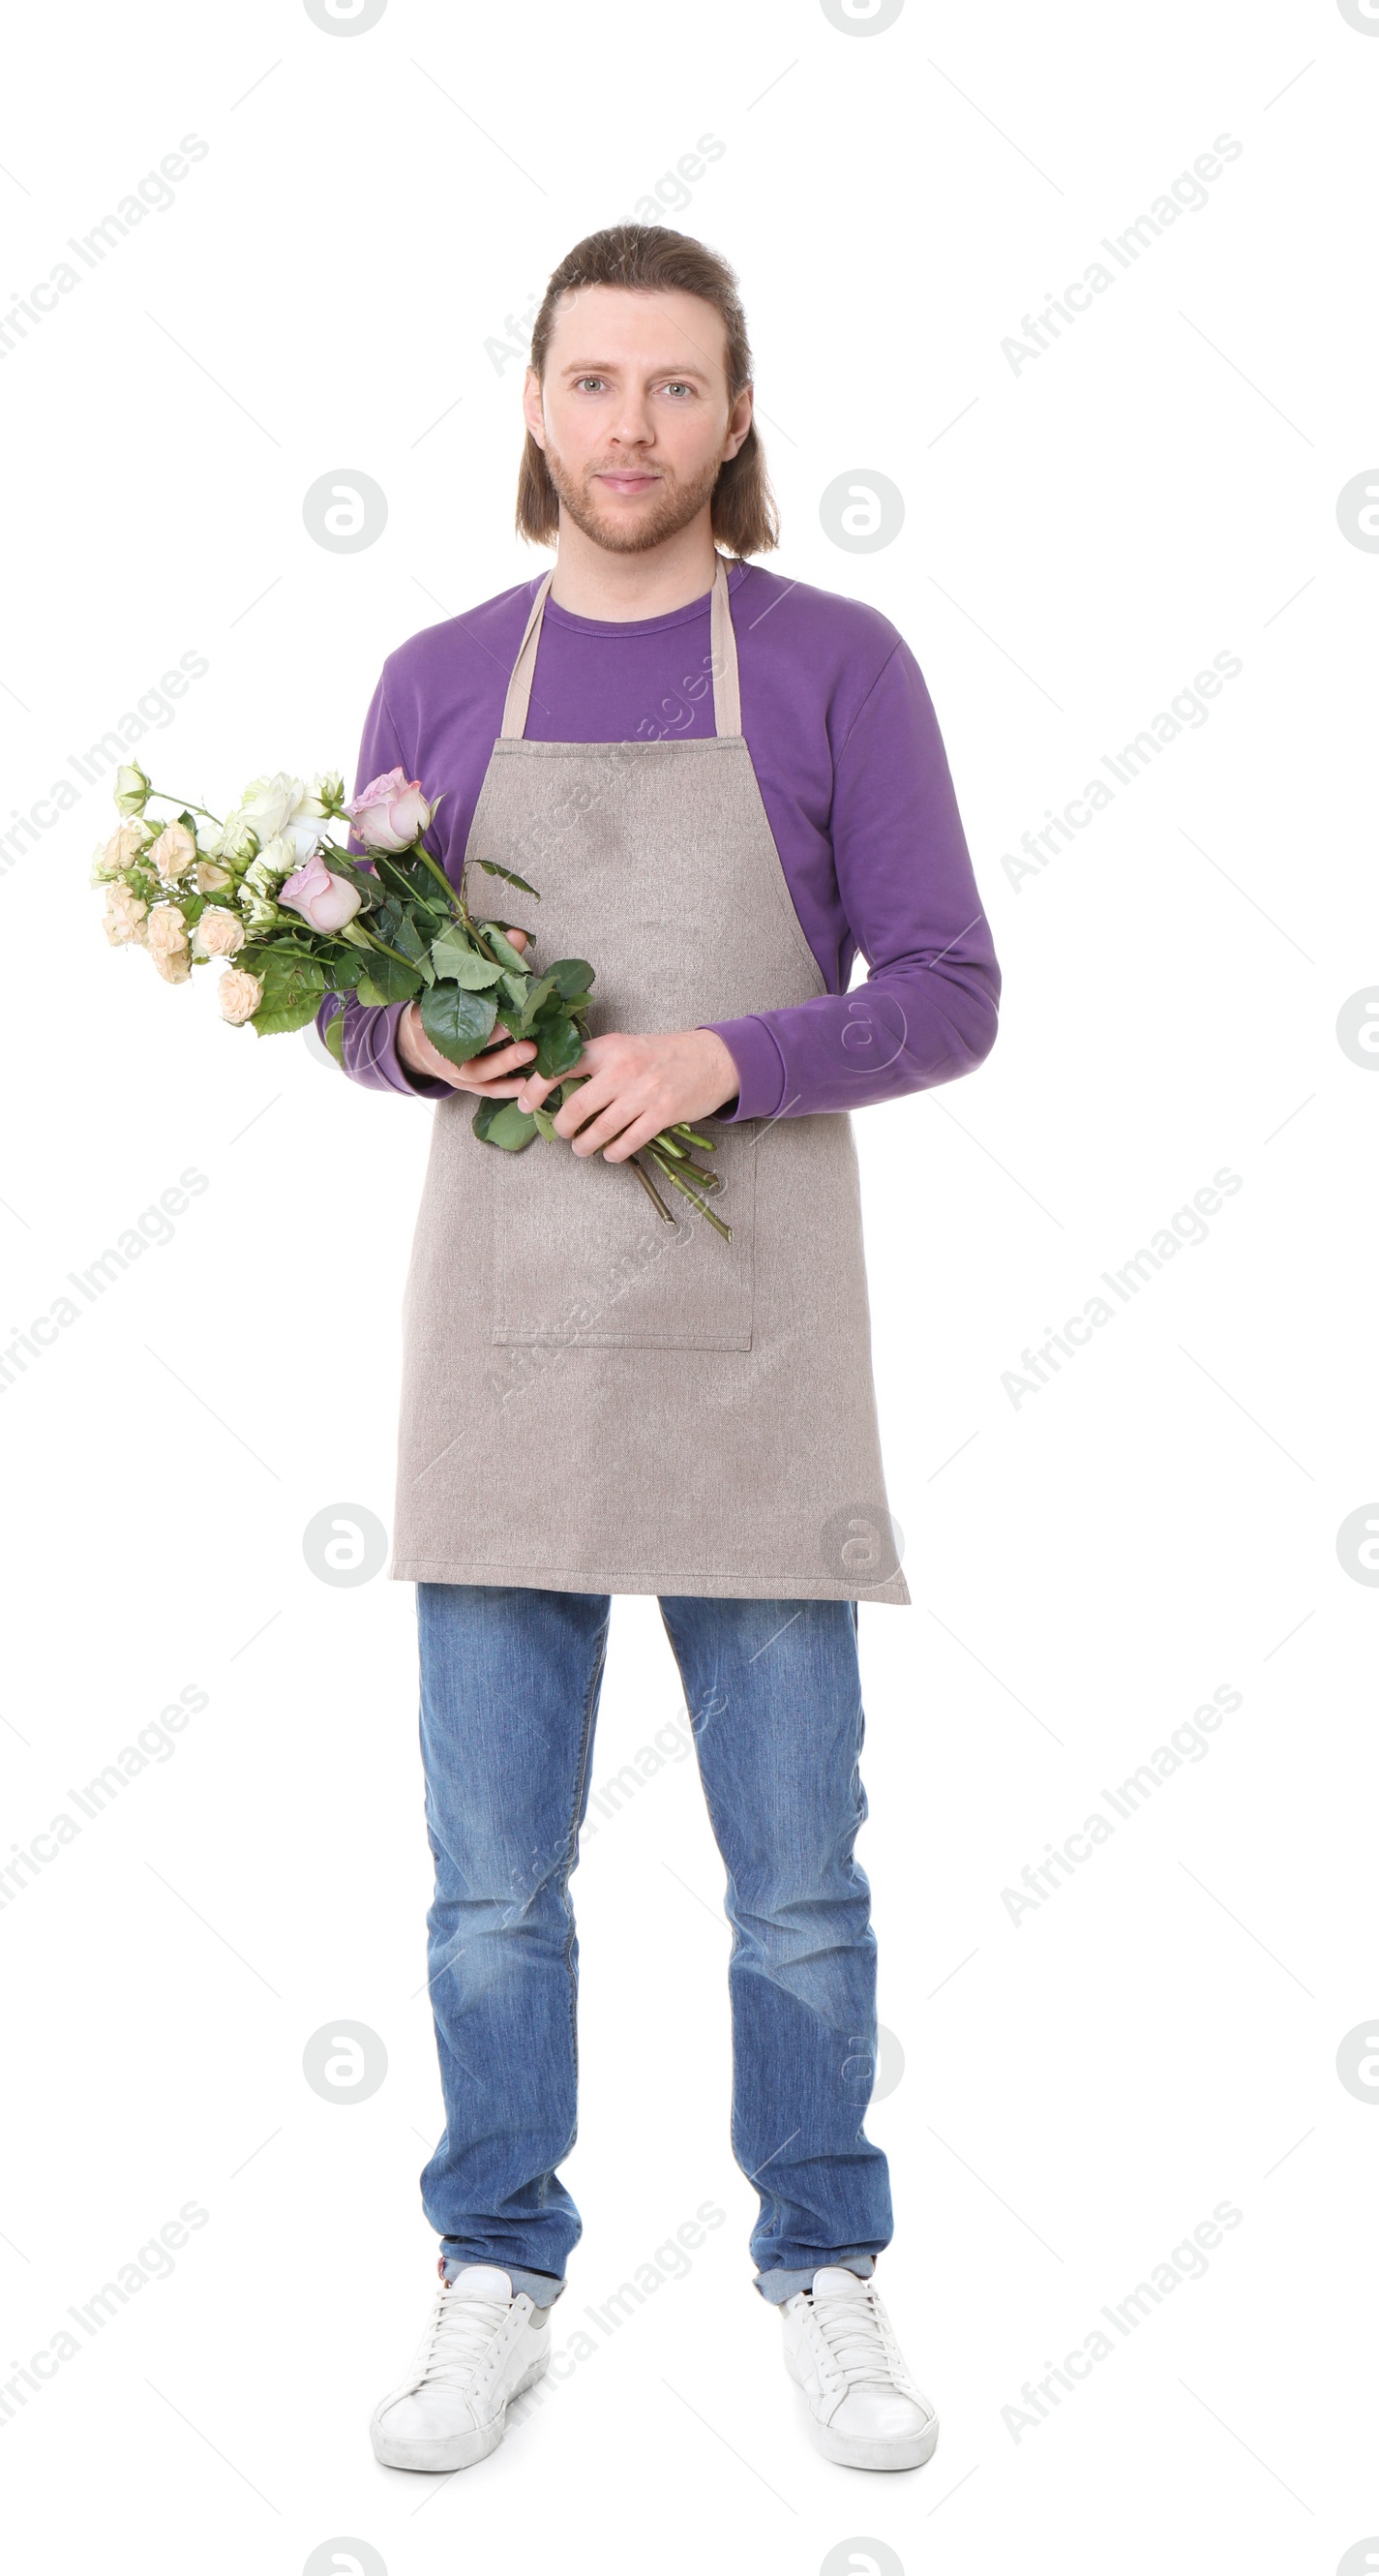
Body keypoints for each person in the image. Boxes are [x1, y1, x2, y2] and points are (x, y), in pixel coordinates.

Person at [317, 223, 1001, 2477]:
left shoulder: (833, 663)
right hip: (502, 1339)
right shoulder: (431, 672)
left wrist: (723, 1054)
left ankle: (820, 2258)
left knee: (796, 1872)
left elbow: (945, 986)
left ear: (734, 414)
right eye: (591, 382)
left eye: (674, 386)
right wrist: (409, 1029)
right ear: (530, 403)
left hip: (752, 1348)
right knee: (489, 1880)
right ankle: (493, 2260)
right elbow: (340, 994)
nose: (630, 426)